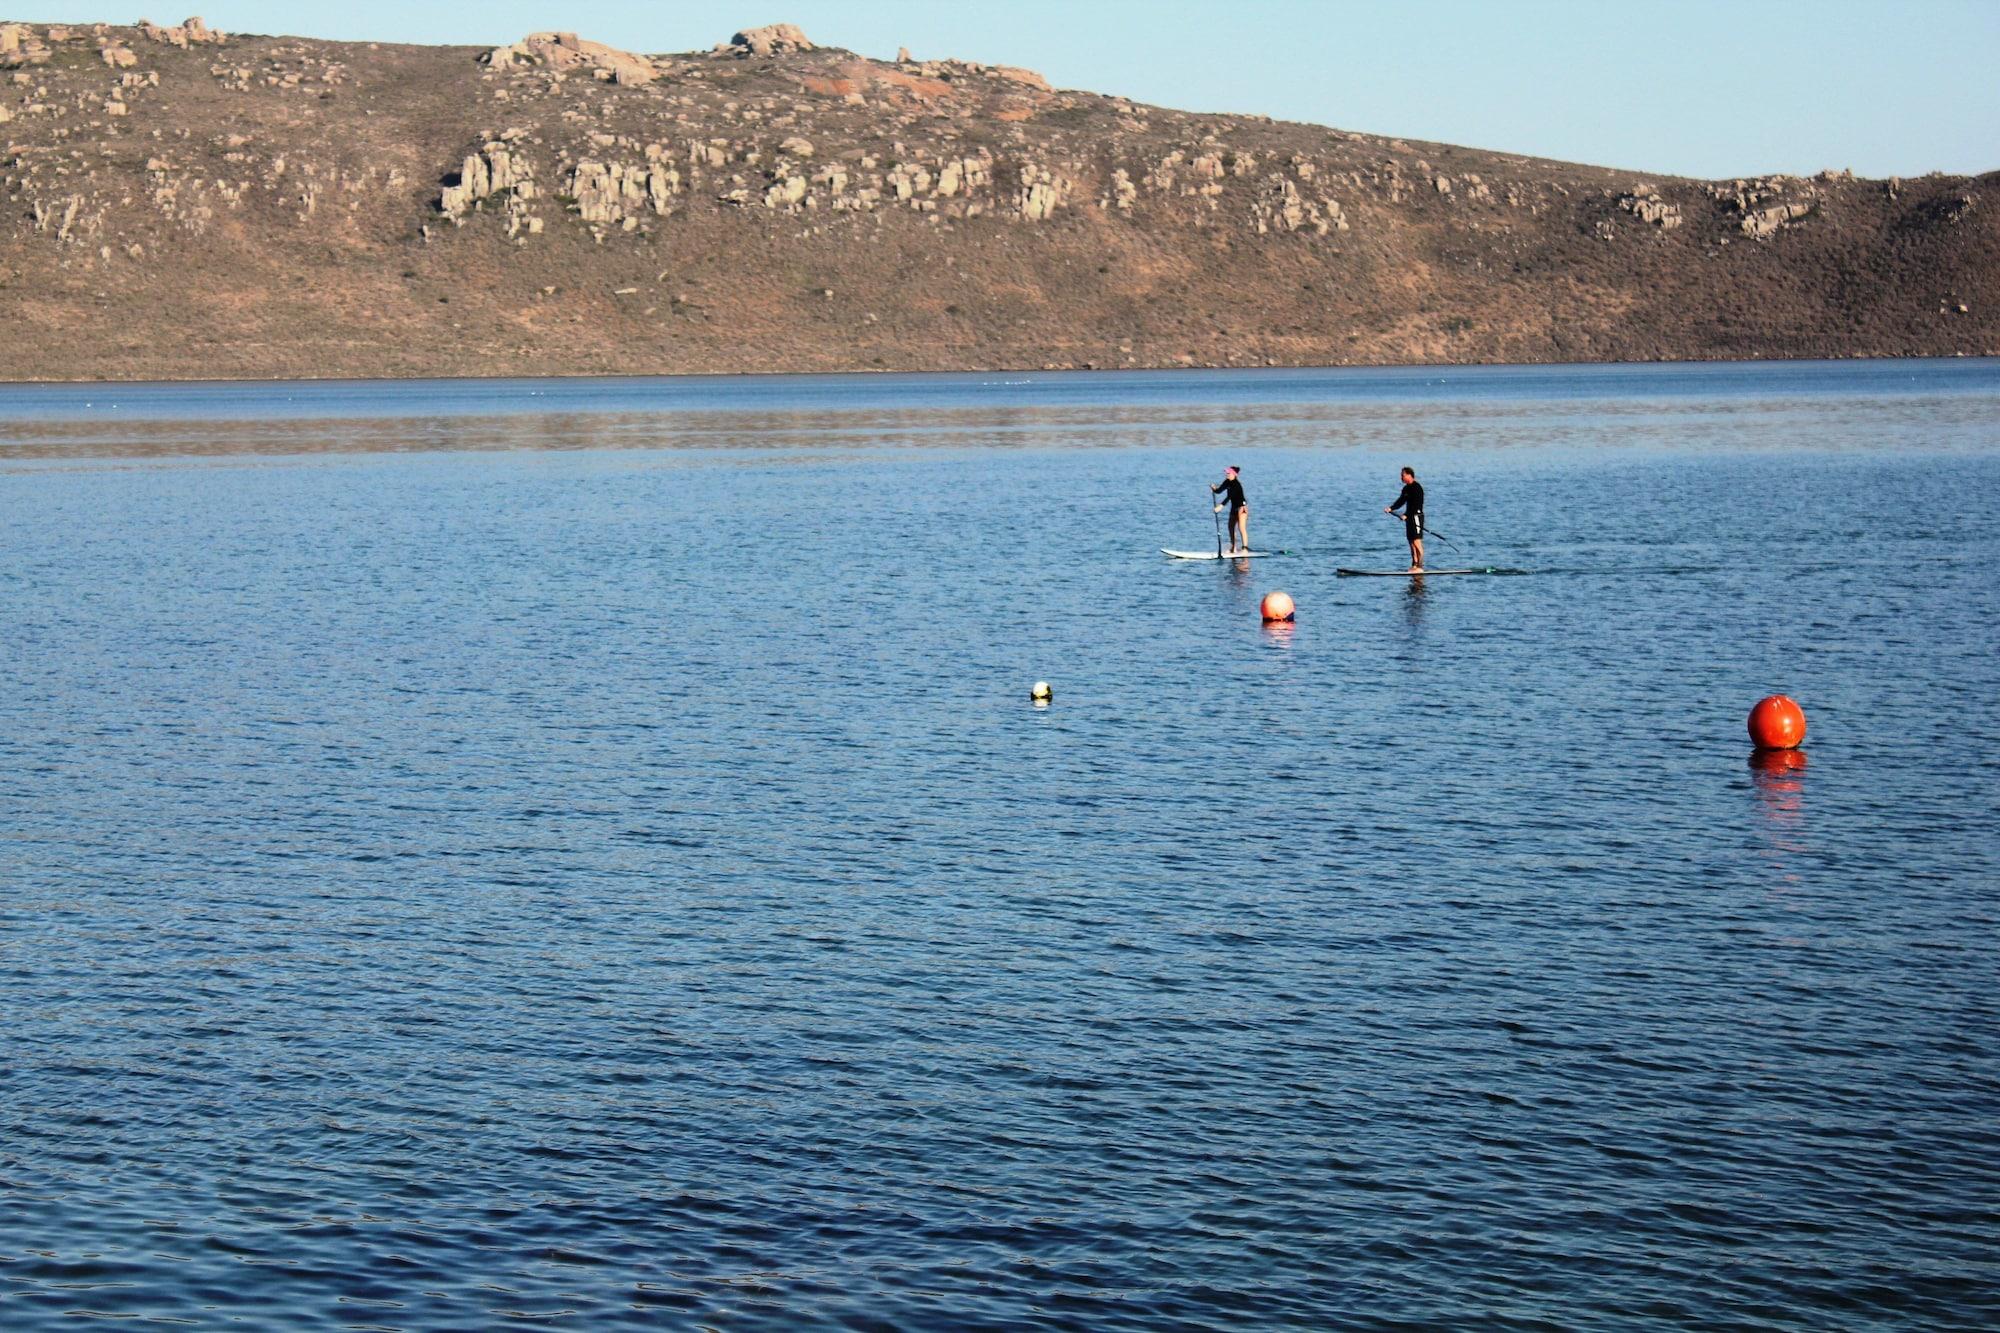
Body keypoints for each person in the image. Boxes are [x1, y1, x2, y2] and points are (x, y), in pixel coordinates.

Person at [1385, 466, 1425, 571]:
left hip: (1416, 517)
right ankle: (1414, 564)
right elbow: (1401, 501)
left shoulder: (1417, 488)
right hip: (1409, 518)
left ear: (1409, 475)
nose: (1401, 477)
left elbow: (1416, 505)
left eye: (1402, 475)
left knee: (1416, 542)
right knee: (1411, 542)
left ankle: (1420, 566)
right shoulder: (1406, 488)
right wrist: (1391, 508)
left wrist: (1407, 514)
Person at [1211, 465, 1248, 555]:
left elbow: (1229, 497)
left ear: (1234, 474)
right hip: (1234, 508)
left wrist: (1220, 507)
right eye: (1226, 472)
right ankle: (1233, 548)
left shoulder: (1236, 485)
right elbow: (1219, 491)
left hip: (1241, 508)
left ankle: (1245, 549)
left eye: (1228, 473)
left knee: (1241, 528)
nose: (1226, 474)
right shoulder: (1227, 482)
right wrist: (1214, 489)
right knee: (1230, 527)